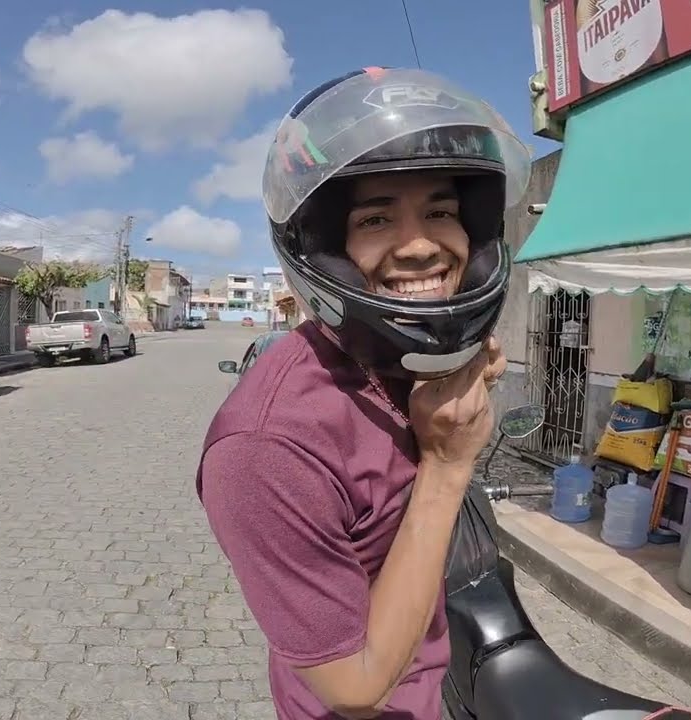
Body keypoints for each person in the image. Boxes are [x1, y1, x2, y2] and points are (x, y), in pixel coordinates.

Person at [196, 67, 531, 719]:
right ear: (324, 252)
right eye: (376, 218)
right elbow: (353, 687)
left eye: (441, 211)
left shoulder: (406, 370)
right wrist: (447, 463)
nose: (420, 246)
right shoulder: (266, 451)